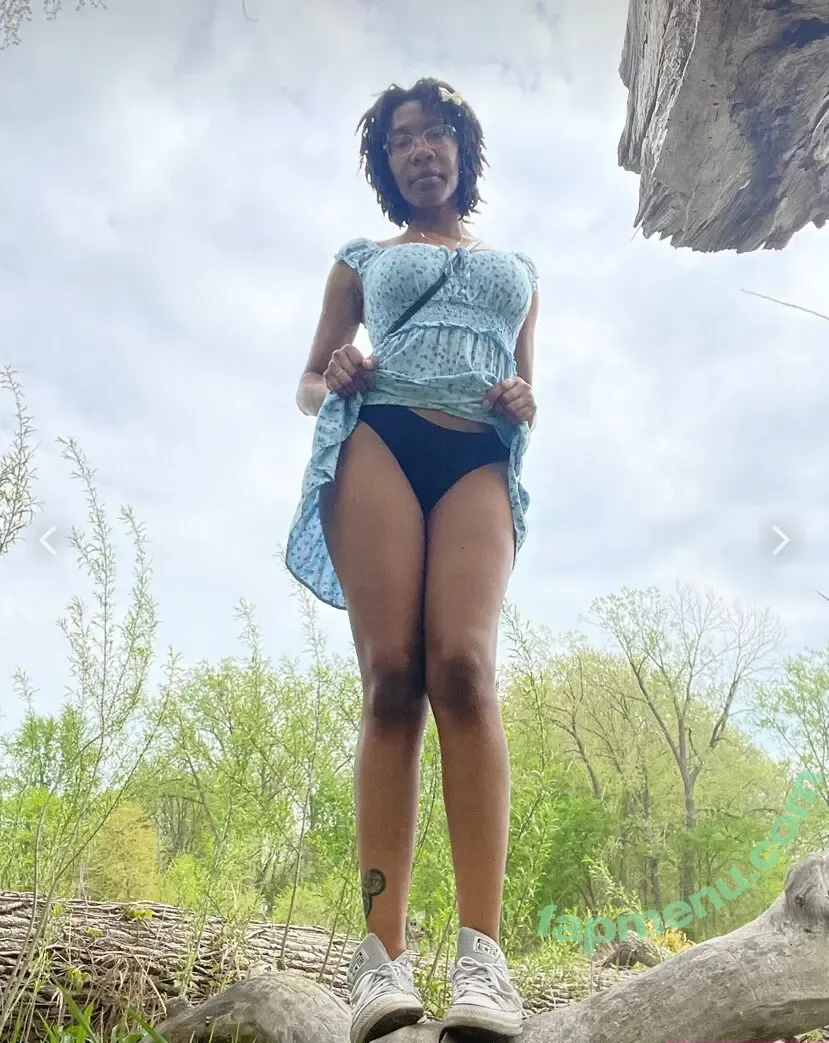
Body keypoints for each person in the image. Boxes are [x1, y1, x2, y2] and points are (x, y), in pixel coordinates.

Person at [286, 76, 539, 1043]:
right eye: (401, 141)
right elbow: (308, 383)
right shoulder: (361, 259)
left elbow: (525, 387)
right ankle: (379, 960)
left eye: (434, 134)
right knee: (391, 679)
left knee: (463, 671)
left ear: (461, 150)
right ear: (385, 163)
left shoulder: (517, 270)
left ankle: (484, 959)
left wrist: (524, 402)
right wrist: (335, 373)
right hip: (378, 441)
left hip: (477, 456)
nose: (419, 150)